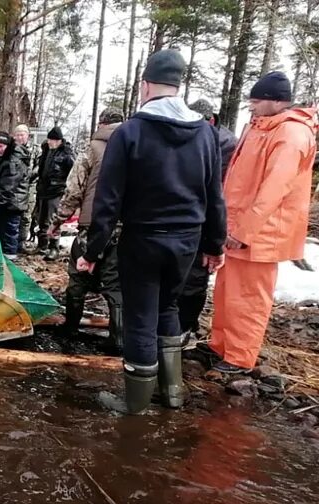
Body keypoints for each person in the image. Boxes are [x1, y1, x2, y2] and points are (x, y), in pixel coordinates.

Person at [79, 49, 227, 413]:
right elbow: (214, 195)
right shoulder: (204, 133)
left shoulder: (129, 133)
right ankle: (172, 392)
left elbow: (107, 202)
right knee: (168, 307)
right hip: (187, 240)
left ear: (145, 85)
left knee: (141, 316)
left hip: (144, 238)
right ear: (178, 85)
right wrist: (215, 243)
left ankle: (135, 404)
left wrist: (92, 252)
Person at [208, 72, 319, 374]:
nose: (252, 106)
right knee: (226, 290)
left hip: (261, 234)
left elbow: (274, 189)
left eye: (256, 101)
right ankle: (219, 345)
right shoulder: (259, 128)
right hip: (236, 226)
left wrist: (244, 231)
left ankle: (240, 356)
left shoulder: (291, 134)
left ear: (275, 101)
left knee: (249, 298)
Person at [47, 109, 125, 352]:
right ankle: (119, 339)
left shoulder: (91, 150)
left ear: (101, 123)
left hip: (91, 225)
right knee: (115, 285)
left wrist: (57, 221)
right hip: (123, 227)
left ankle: (70, 330)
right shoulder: (135, 148)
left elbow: (74, 190)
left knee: (78, 277)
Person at [176, 99, 238, 338]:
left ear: (210, 120)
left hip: (207, 220)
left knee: (196, 278)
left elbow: (219, 194)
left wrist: (217, 235)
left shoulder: (226, 145)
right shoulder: (191, 136)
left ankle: (186, 328)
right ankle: (176, 326)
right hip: (186, 217)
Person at [0, 132, 30, 257]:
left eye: (1, 146)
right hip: (1, 204)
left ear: (8, 145)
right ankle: (0, 257)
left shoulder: (14, 162)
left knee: (9, 235)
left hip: (13, 204)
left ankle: (10, 260)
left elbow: (6, 189)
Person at [34, 126, 76, 260]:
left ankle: (54, 248)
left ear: (58, 141)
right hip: (43, 190)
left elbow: (73, 173)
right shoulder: (46, 151)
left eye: (52, 140)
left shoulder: (67, 155)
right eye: (49, 139)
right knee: (41, 219)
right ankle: (42, 245)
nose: (49, 142)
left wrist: (66, 189)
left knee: (53, 220)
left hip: (56, 191)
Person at [11, 124, 39, 249]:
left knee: (26, 215)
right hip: (15, 186)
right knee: (14, 215)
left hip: (30, 186)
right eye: (17, 135)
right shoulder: (12, 150)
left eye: (22, 135)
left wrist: (30, 174)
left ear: (27, 135)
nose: (20, 137)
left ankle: (22, 240)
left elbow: (40, 166)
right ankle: (12, 239)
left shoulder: (36, 149)